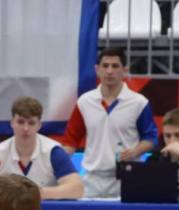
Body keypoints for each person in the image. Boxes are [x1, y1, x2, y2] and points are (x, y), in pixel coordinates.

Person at [62, 47, 158, 198]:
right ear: (97, 69)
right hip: (92, 179)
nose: (109, 71)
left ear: (124, 70)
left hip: (127, 176)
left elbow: (151, 138)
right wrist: (56, 167)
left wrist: (134, 152)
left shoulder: (139, 102)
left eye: (115, 66)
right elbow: (70, 141)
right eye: (105, 66)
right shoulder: (84, 102)